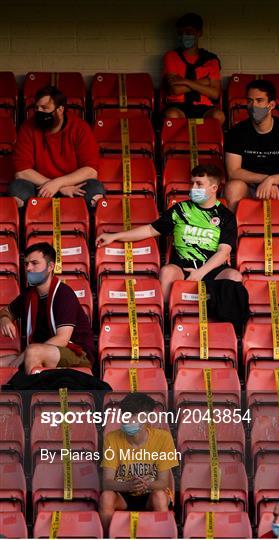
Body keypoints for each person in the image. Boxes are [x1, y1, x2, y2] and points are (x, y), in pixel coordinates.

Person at [96, 164, 242, 302]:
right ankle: (167, 316)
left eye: (199, 184)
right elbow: (150, 230)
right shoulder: (180, 210)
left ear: (213, 188)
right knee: (166, 272)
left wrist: (200, 273)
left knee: (234, 276)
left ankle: (224, 326)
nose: (193, 188)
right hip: (181, 267)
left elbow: (223, 252)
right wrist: (115, 236)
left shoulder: (225, 216)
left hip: (211, 268)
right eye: (192, 183)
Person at [0, 242, 95, 373]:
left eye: (34, 263)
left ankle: (30, 393)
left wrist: (26, 353)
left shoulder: (64, 294)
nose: (28, 268)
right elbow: (6, 311)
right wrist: (5, 319)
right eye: (26, 264)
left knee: (33, 352)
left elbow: (62, 339)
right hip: (41, 351)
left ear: (50, 266)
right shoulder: (28, 295)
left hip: (76, 354)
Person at [9, 85, 105, 208]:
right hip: (39, 185)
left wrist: (58, 183)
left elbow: (91, 171)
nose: (39, 112)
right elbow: (21, 172)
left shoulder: (80, 128)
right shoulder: (28, 128)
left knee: (95, 190)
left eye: (45, 108)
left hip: (73, 185)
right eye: (37, 108)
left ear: (60, 110)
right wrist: (54, 186)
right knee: (18, 189)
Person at [224, 79, 279, 216]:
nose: (253, 106)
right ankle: (234, 234)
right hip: (249, 187)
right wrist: (266, 179)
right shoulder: (237, 131)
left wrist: (272, 180)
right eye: (250, 101)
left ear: (271, 105)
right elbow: (234, 172)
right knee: (233, 187)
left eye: (259, 100)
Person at [100, 392, 179, 535]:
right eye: (124, 415)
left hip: (150, 493)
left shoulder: (163, 438)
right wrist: (129, 485)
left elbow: (163, 482)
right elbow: (107, 482)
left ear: (146, 418)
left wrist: (146, 484)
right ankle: (106, 535)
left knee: (160, 497)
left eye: (132, 415)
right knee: (106, 497)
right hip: (123, 493)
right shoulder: (111, 438)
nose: (127, 419)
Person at [162, 12, 225, 124]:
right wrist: (205, 82)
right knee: (171, 115)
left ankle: (208, 142)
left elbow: (215, 94)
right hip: (178, 106)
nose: (184, 36)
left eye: (189, 32)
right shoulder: (171, 56)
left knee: (218, 116)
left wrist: (185, 81)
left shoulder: (211, 59)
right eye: (181, 33)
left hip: (204, 108)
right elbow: (176, 90)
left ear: (199, 33)